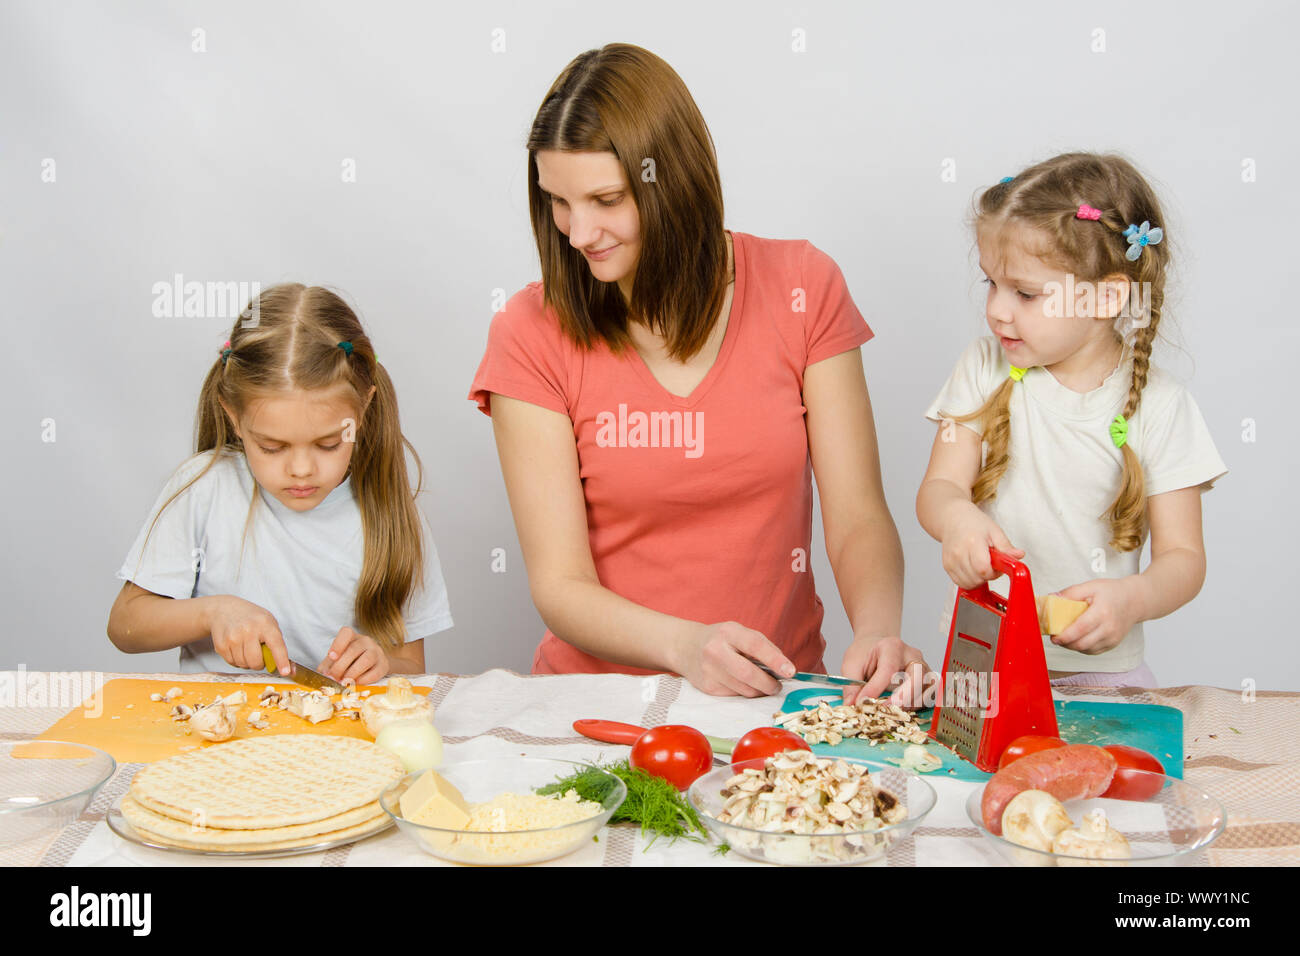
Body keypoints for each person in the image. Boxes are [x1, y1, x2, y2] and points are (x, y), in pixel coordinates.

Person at [468, 43, 925, 703]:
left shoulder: (803, 288)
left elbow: (857, 516)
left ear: (671, 180)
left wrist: (877, 631)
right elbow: (561, 587)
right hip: (596, 704)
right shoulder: (528, 332)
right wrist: (685, 646)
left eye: (605, 199)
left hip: (777, 694)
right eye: (558, 202)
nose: (577, 232)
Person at [916, 153, 1227, 687]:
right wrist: (957, 520)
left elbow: (1184, 558)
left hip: (1102, 676)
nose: (996, 310)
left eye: (1026, 293)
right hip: (980, 662)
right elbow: (939, 488)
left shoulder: (1161, 405)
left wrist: (1133, 599)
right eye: (991, 283)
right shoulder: (982, 367)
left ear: (1106, 297)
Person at [107, 284, 452, 683]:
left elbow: (412, 667)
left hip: (335, 739)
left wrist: (383, 664)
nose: (302, 469)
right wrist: (212, 612)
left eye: (328, 444)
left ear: (363, 410)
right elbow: (125, 627)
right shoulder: (203, 488)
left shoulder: (390, 514)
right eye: (272, 446)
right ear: (234, 418)